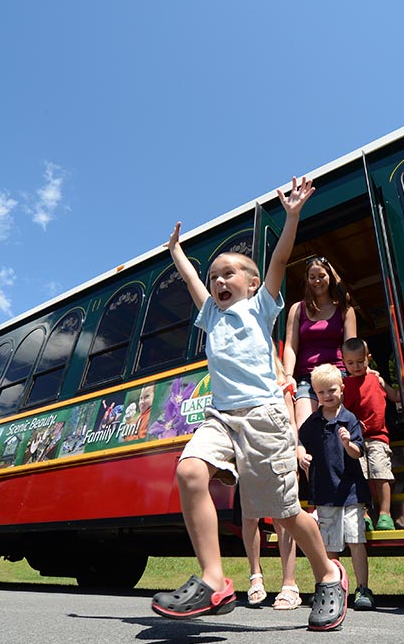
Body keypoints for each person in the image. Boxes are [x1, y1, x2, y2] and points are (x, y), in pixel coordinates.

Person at [151, 176, 350, 632]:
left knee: (284, 512)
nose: (219, 281)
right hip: (221, 415)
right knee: (189, 471)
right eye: (214, 276)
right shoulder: (212, 316)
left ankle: (328, 574)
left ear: (252, 282)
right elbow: (191, 283)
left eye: (229, 274)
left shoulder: (261, 305)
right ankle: (214, 579)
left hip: (263, 417)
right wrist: (177, 252)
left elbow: (280, 257)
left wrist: (293, 214)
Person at [297, 363, 375, 611]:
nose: (327, 396)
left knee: (356, 541)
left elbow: (357, 453)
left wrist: (347, 443)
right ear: (315, 394)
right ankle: (331, 586)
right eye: (321, 393)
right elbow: (299, 440)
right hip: (324, 492)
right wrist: (301, 455)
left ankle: (362, 588)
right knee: (329, 545)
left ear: (341, 389)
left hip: (351, 492)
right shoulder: (313, 421)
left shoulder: (349, 418)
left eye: (331, 390)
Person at [242, 356, 301, 610]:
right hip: (250, 453)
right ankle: (255, 576)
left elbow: (291, 423)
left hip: (280, 453)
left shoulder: (282, 385)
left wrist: (294, 450)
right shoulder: (244, 387)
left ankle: (290, 584)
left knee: (284, 517)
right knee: (250, 516)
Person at [283, 255, 356, 428]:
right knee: (305, 427)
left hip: (335, 374)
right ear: (307, 281)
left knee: (332, 427)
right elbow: (290, 346)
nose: (317, 281)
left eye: (321, 276)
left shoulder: (345, 309)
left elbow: (351, 347)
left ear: (330, 277)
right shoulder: (297, 309)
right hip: (306, 377)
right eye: (312, 277)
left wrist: (361, 370)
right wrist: (288, 376)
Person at [340, 337, 401, 531]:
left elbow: (396, 397)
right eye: (350, 363)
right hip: (356, 441)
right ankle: (364, 515)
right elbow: (341, 411)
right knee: (360, 476)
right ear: (344, 362)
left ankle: (385, 515)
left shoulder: (377, 379)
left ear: (369, 358)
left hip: (378, 437)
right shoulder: (344, 385)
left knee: (381, 473)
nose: (356, 366)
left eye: (360, 361)